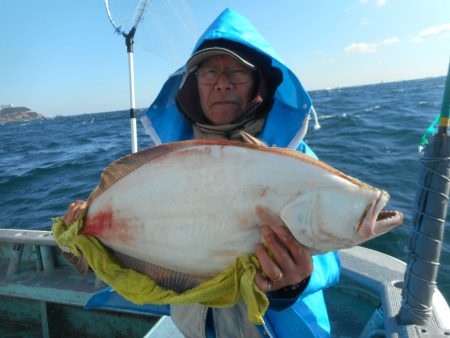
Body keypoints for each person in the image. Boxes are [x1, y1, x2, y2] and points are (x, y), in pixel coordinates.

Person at [65, 8, 340, 338]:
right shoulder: (163, 165)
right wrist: (85, 235)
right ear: (193, 85)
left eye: (237, 72)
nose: (222, 84)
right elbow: (149, 248)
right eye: (209, 72)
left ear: (259, 82)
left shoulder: (293, 160)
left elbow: (331, 242)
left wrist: (295, 282)